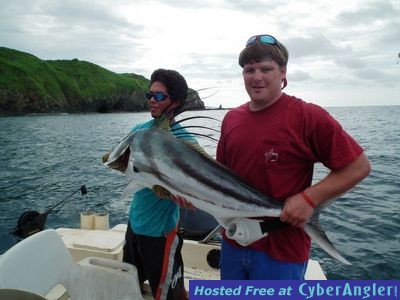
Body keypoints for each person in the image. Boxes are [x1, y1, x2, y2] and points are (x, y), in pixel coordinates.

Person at [216, 34, 371, 279]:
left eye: (266, 69)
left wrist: (310, 199)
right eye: (249, 70)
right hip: (233, 242)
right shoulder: (231, 119)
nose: (257, 77)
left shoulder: (308, 116)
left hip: (282, 252)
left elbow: (358, 167)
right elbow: (219, 176)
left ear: (283, 72)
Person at [122, 69, 193, 300]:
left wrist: (183, 198)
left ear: (176, 102)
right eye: (149, 94)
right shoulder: (139, 132)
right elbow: (128, 168)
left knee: (170, 293)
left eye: (159, 96)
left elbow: (192, 195)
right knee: (129, 283)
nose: (152, 99)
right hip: (134, 226)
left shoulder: (185, 142)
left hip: (162, 234)